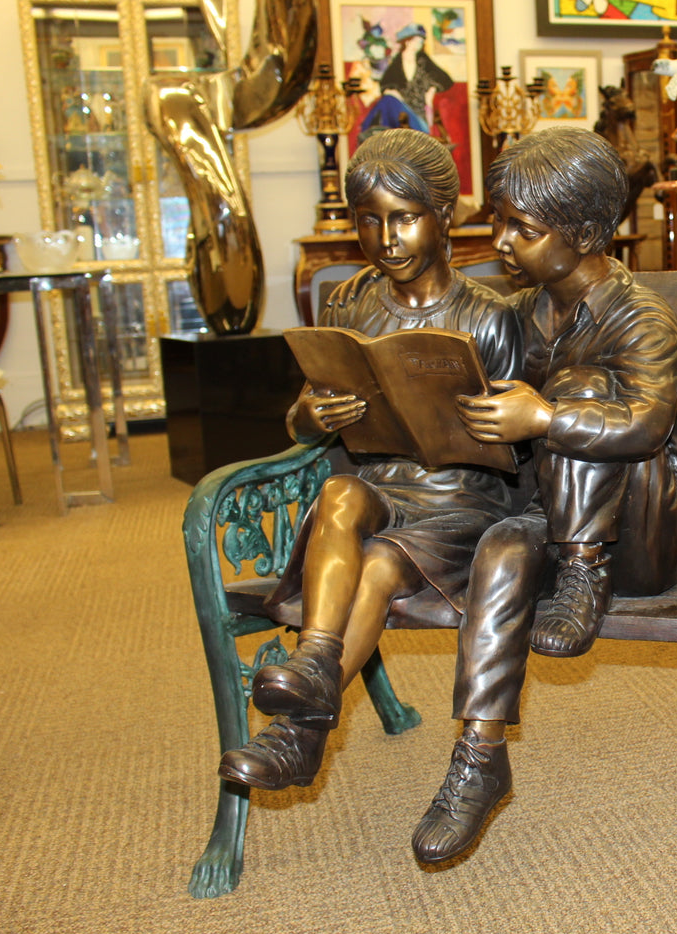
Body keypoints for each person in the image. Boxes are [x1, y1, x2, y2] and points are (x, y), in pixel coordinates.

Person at [409, 126, 677, 863]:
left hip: (642, 532)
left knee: (572, 394)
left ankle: (581, 570)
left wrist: (543, 414)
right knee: (504, 546)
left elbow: (642, 424)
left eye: (523, 228)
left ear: (581, 233)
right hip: (555, 510)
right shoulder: (525, 314)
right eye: (501, 220)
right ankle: (479, 758)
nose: (501, 240)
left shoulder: (642, 319)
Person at [216, 128, 523, 791]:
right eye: (369, 220)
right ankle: (316, 665)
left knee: (381, 561)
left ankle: (298, 734)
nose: (387, 237)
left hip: (460, 500)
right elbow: (301, 411)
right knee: (339, 496)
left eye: (406, 219)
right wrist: (313, 415)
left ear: (443, 219)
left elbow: (516, 451)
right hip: (380, 484)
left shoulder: (489, 315)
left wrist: (492, 423)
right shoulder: (349, 301)